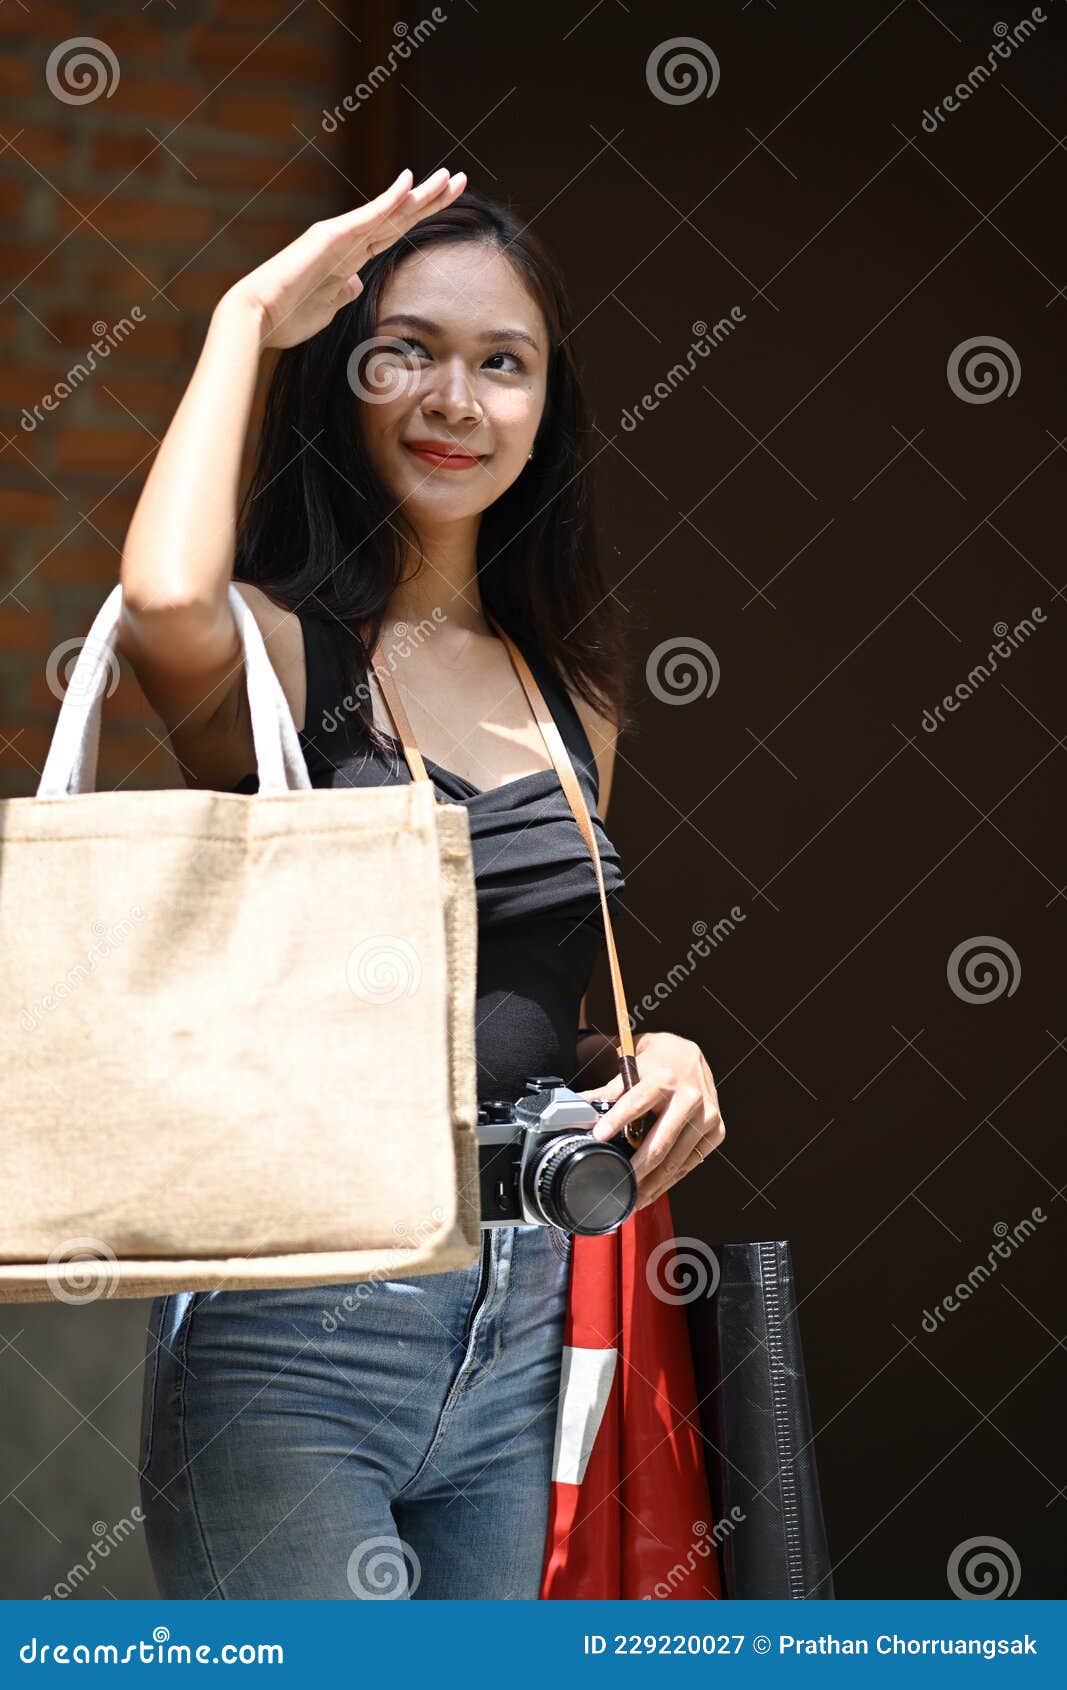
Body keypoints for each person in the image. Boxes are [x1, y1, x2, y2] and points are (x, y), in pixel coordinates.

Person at [121, 166, 725, 1599]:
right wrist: (246, 317)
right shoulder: (273, 656)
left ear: (545, 407)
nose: (459, 398)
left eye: (503, 363)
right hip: (298, 1327)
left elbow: (521, 1008)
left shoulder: (571, 692)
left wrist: (651, 1055)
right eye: (411, 353)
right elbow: (158, 602)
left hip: (531, 1319)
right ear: (343, 381)